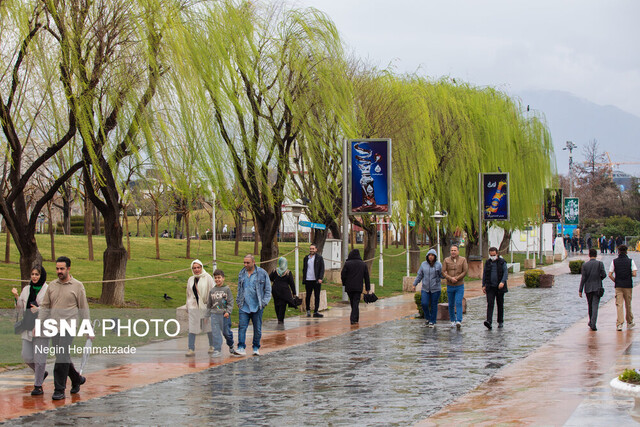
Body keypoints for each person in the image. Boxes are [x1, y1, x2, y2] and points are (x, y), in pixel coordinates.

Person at [38, 257, 90, 400]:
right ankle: (76, 379)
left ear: (68, 269)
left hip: (69, 326)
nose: (59, 271)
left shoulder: (78, 286)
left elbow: (83, 307)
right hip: (54, 326)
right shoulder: (52, 286)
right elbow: (45, 306)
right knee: (63, 356)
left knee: (61, 356)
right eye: (57, 268)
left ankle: (59, 389)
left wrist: (88, 327)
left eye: (62, 268)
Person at [11, 265, 49, 396]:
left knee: (39, 359)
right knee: (26, 356)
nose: (34, 277)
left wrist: (38, 310)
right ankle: (41, 373)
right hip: (27, 327)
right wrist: (16, 297)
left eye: (37, 274)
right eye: (32, 274)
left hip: (42, 328)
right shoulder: (26, 289)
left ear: (42, 275)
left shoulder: (48, 290)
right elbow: (20, 308)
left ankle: (38, 386)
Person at [235, 254, 271, 356]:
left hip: (257, 306)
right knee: (242, 327)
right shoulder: (241, 273)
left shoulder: (262, 273)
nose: (245, 264)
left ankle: (256, 347)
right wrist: (238, 301)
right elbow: (239, 288)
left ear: (253, 262)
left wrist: (264, 303)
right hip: (244, 305)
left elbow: (268, 289)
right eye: (244, 262)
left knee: (257, 328)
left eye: (248, 262)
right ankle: (241, 347)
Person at [185, 259, 214, 356]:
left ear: (201, 267)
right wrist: (188, 306)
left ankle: (212, 345)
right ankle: (191, 348)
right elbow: (188, 294)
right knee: (192, 328)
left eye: (198, 267)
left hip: (205, 306)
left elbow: (212, 293)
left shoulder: (208, 278)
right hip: (194, 307)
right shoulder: (190, 279)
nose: (196, 270)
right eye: (194, 268)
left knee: (208, 327)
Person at [206, 269, 236, 357]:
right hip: (214, 314)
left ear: (223, 278)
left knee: (226, 332)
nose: (217, 280)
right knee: (215, 333)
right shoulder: (212, 291)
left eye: (219, 277)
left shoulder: (227, 289)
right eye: (215, 278)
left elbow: (230, 302)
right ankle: (217, 349)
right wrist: (206, 316)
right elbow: (209, 304)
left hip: (224, 315)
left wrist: (228, 312)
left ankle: (231, 344)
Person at [609, 245, 638, 331]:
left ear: (618, 251)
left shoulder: (614, 261)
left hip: (618, 285)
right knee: (628, 304)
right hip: (628, 285)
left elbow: (610, 274)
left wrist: (616, 281)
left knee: (619, 304)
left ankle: (619, 324)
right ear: (626, 251)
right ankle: (629, 322)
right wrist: (629, 274)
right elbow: (635, 273)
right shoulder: (630, 261)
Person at [412, 249, 443, 327]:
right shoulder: (423, 264)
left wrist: (445, 274)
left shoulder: (439, 265)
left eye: (432, 255)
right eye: (429, 255)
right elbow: (419, 275)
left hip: (435, 288)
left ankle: (433, 321)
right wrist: (414, 284)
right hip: (425, 288)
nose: (431, 257)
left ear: (435, 256)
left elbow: (442, 275)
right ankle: (428, 318)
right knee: (424, 303)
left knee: (434, 305)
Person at [341, 249, 371, 325]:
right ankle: (354, 319)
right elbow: (366, 277)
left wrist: (344, 283)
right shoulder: (363, 264)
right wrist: (368, 288)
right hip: (358, 287)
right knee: (355, 302)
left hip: (349, 287)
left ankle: (355, 318)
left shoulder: (347, 264)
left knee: (352, 302)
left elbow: (343, 275)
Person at [579, 248, 606, 331]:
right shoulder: (600, 264)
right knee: (595, 306)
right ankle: (593, 323)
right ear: (596, 255)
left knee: (590, 306)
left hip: (588, 288)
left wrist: (580, 290)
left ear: (589, 255)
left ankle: (591, 321)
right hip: (597, 287)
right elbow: (604, 275)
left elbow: (583, 278)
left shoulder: (585, 265)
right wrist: (599, 278)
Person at [482, 247, 508, 330]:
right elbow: (484, 274)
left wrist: (502, 282)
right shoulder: (488, 262)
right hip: (490, 286)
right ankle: (489, 321)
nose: (492, 256)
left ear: (497, 254)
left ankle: (500, 321)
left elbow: (505, 273)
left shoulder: (502, 262)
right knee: (490, 303)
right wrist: (483, 285)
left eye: (494, 255)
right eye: (491, 255)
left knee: (500, 304)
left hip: (499, 287)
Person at [442, 245, 468, 329]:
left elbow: (465, 271)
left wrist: (457, 278)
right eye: (452, 250)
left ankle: (459, 320)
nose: (453, 252)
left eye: (455, 250)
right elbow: (443, 272)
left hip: (459, 285)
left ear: (458, 251)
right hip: (450, 285)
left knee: (458, 302)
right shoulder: (446, 260)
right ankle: (452, 320)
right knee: (451, 304)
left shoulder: (463, 260)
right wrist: (450, 278)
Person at [269, 257, 299, 324]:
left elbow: (269, 278)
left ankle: (278, 317)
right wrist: (294, 293)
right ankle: (280, 319)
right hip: (284, 291)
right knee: (283, 305)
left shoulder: (275, 271)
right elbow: (292, 283)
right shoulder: (288, 272)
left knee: (276, 304)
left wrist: (275, 281)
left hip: (275, 290)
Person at [302, 244, 325, 318]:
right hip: (308, 280)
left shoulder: (319, 258)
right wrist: (304, 278)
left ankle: (316, 311)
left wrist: (320, 278)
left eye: (313, 248)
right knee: (308, 295)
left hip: (316, 280)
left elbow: (322, 269)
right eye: (310, 248)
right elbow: (304, 269)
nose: (311, 250)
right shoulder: (306, 258)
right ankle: (308, 310)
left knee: (317, 295)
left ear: (316, 249)